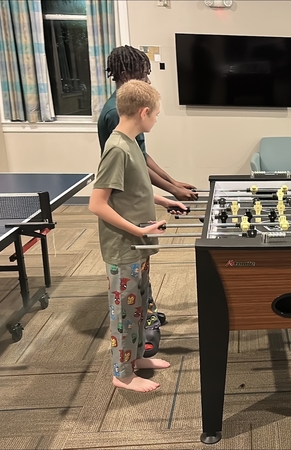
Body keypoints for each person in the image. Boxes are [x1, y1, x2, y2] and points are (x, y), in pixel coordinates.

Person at [89, 80, 185, 392]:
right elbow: (98, 203)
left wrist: (164, 200)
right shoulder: (116, 149)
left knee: (141, 305)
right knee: (124, 314)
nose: (156, 119)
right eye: (156, 114)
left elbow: (133, 191)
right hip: (124, 247)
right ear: (143, 113)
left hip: (139, 244)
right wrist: (138, 230)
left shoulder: (131, 143)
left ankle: (136, 359)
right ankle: (122, 374)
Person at [99, 45, 198, 202]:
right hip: (125, 193)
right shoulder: (117, 113)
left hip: (137, 187)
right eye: (143, 76)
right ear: (125, 76)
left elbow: (141, 155)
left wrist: (173, 182)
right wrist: (173, 190)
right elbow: (135, 163)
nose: (149, 81)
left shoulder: (128, 106)